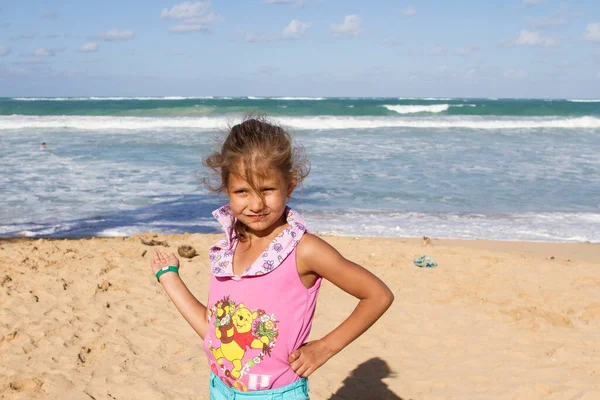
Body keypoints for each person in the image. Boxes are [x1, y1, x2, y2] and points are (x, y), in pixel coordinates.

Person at [151, 116, 394, 400]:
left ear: (289, 185)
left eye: (267, 189)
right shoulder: (227, 249)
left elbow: (378, 295)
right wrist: (169, 279)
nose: (256, 204)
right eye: (242, 191)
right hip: (220, 389)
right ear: (226, 188)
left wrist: (325, 347)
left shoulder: (304, 250)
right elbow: (213, 332)